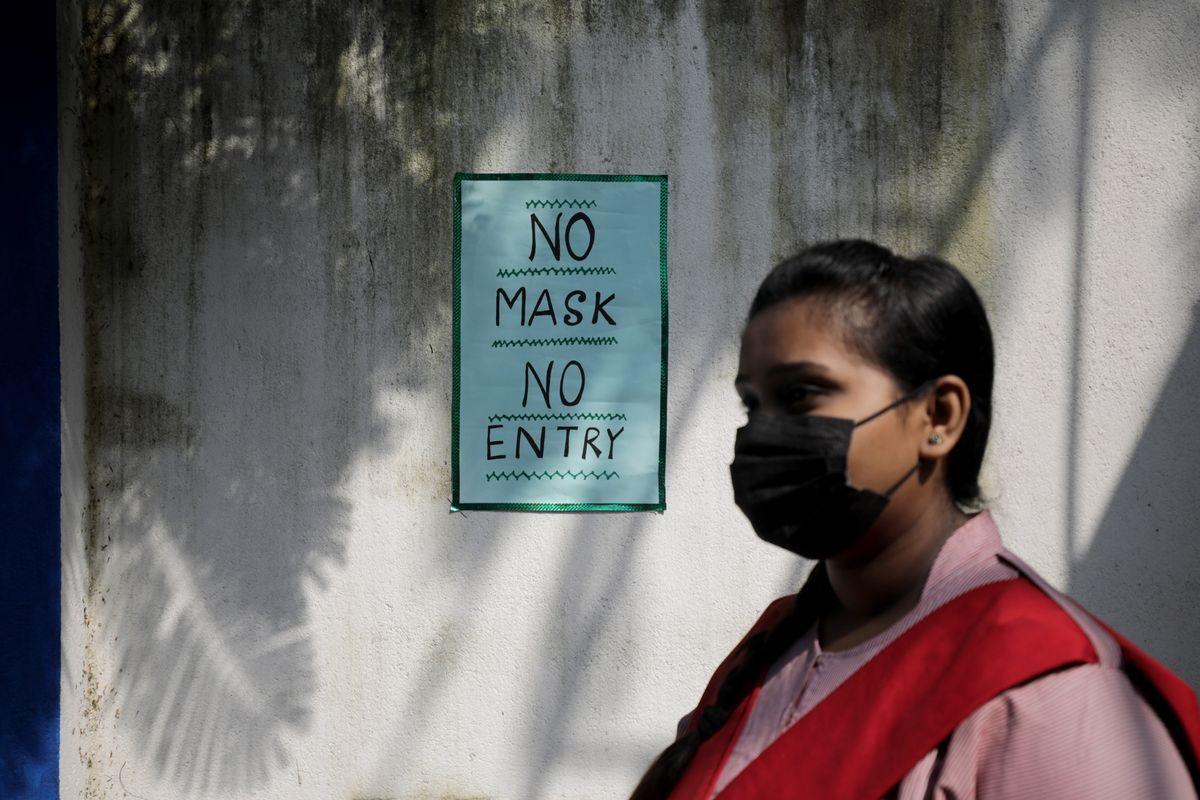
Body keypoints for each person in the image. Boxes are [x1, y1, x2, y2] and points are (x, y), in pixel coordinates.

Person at [630, 240, 1200, 799]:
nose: (762, 433)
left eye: (802, 395)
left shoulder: (1051, 693)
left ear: (939, 417)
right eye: (752, 405)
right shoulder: (771, 649)